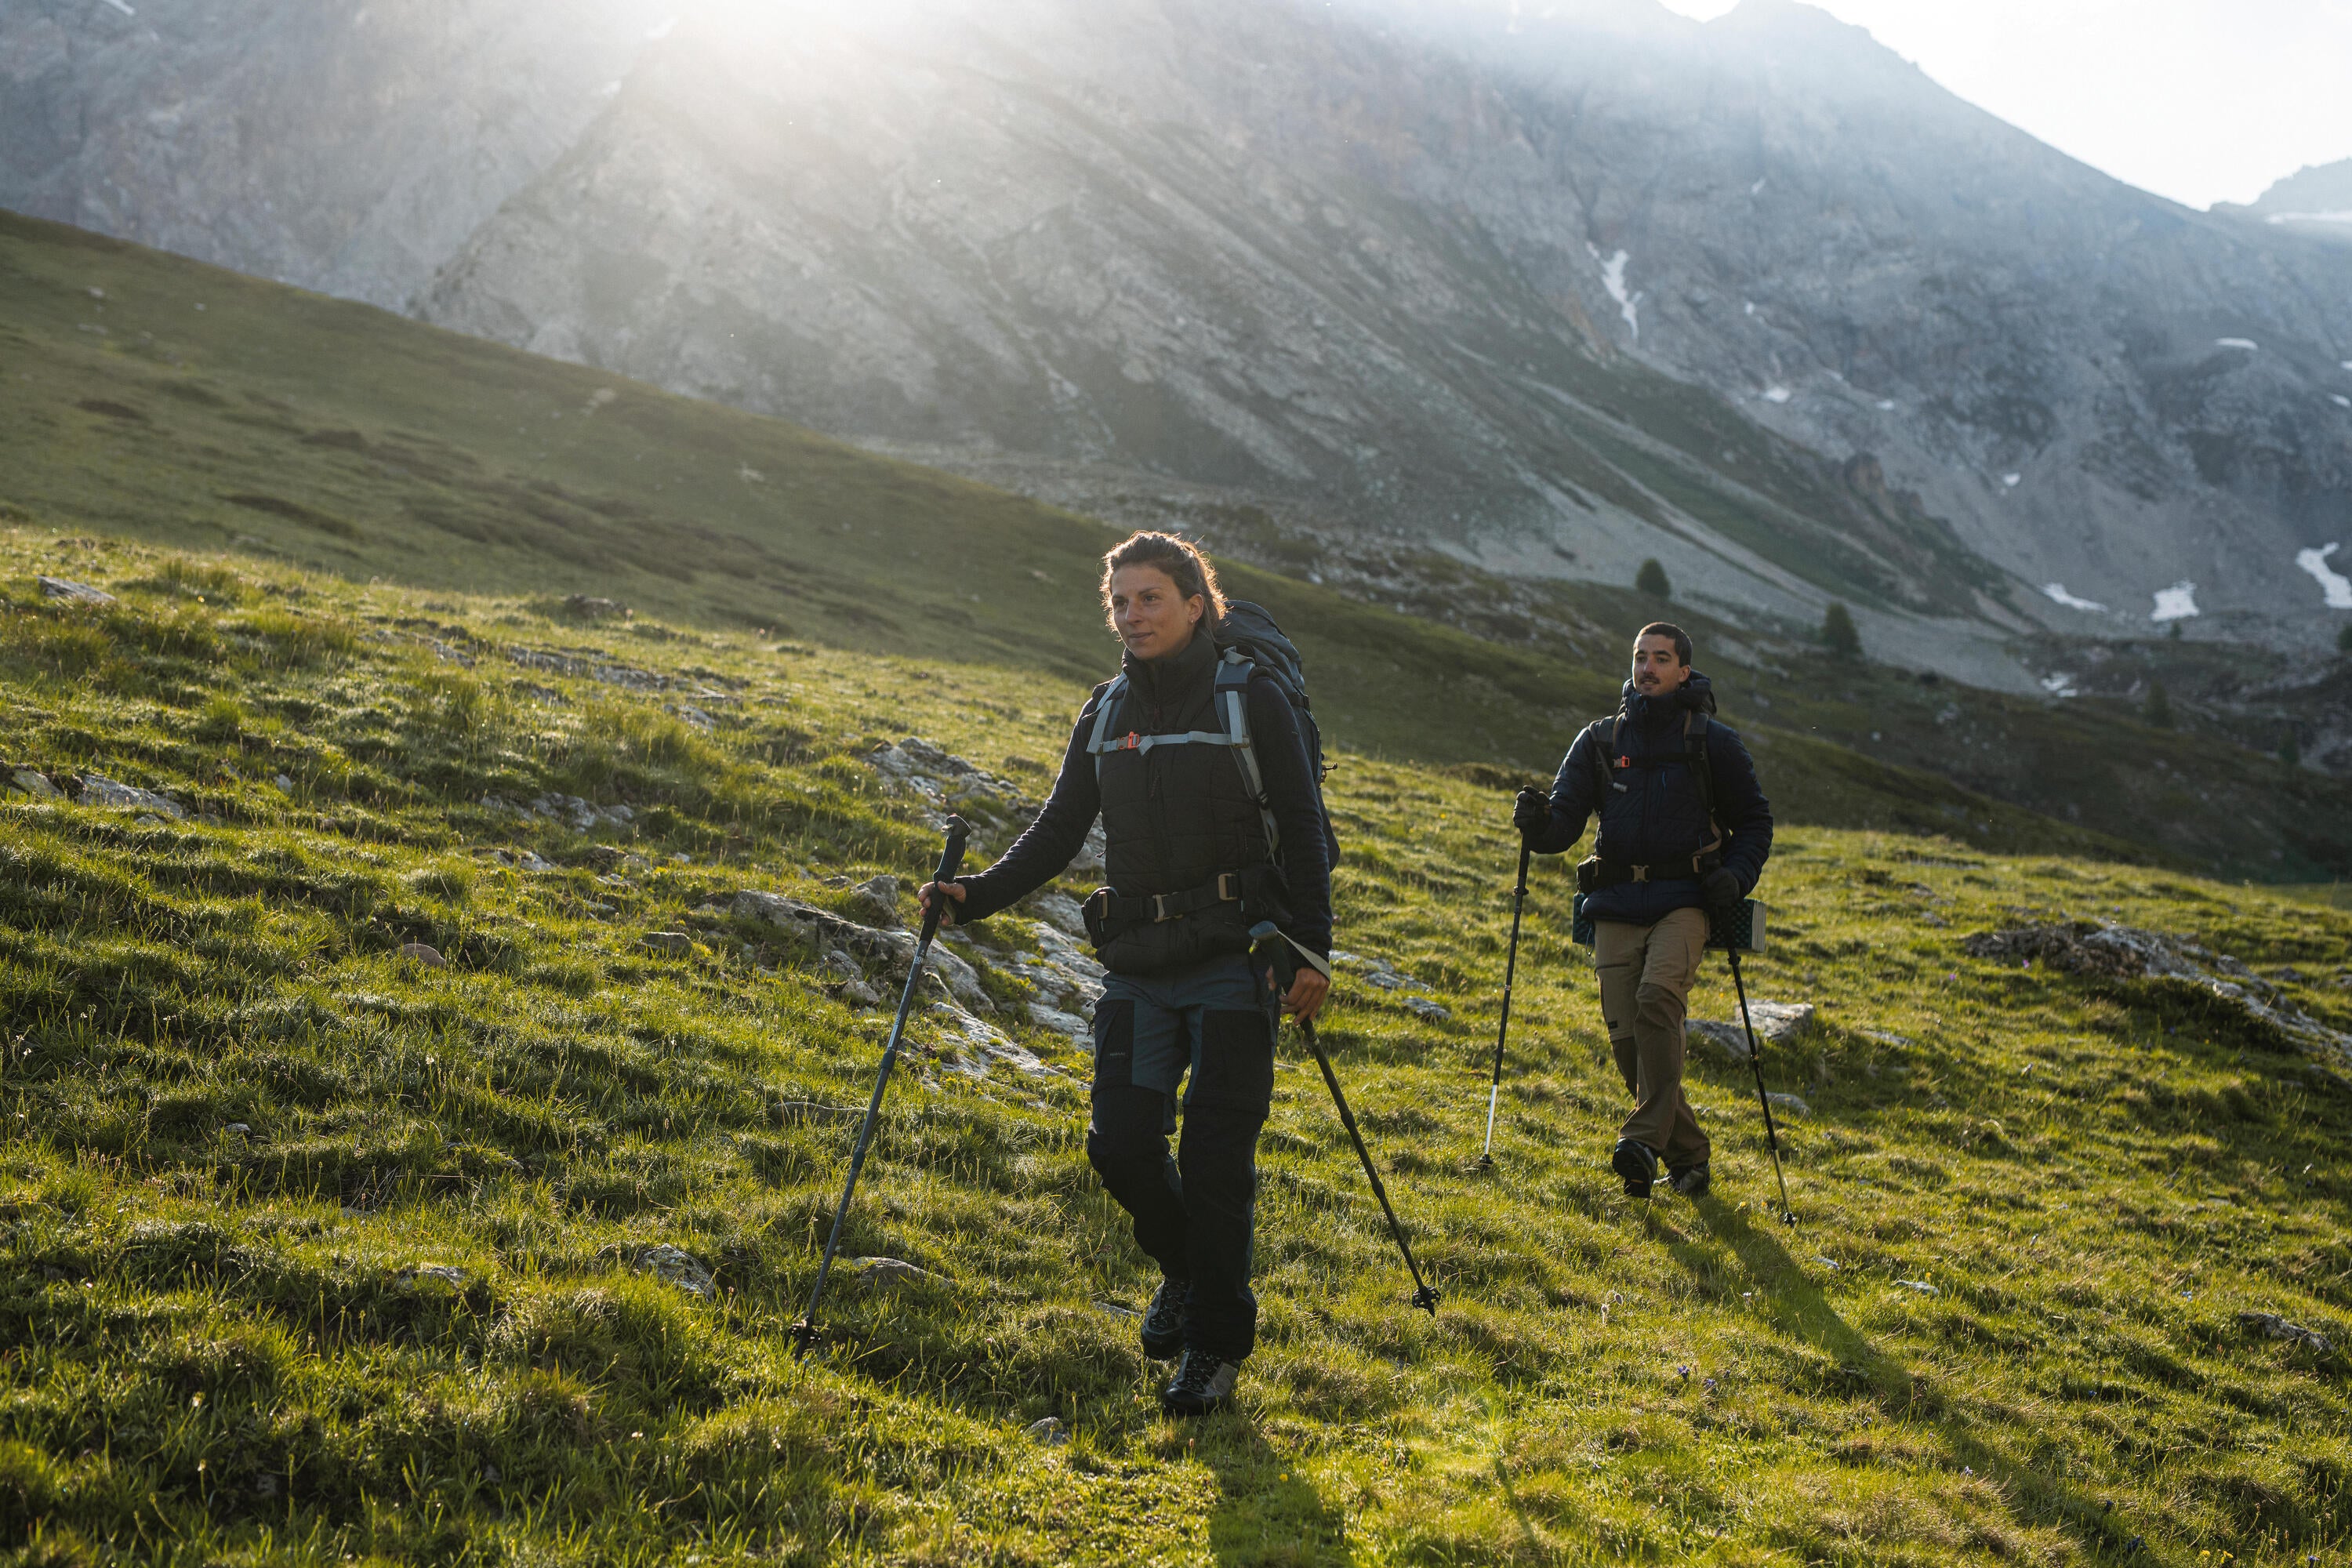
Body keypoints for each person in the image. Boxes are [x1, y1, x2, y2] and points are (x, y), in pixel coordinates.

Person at [918, 532, 1332, 1415]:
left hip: (1232, 960)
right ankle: (1186, 1271)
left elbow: (1301, 824)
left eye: (1150, 598)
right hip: (1140, 966)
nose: (1132, 616)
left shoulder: (1250, 696)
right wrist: (972, 896)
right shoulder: (1105, 710)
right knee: (1120, 1144)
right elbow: (1061, 828)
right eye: (1119, 601)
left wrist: (1311, 950)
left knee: (1218, 1160)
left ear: (1195, 603)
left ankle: (1215, 1346)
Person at [1512, 622, 1773, 1200]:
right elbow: (1563, 823)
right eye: (1639, 658)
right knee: (1629, 1044)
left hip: (1686, 900)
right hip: (1616, 903)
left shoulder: (1713, 743)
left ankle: (1640, 1143)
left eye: (1660, 659)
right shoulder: (1600, 741)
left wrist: (1737, 875)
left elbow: (1755, 822)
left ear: (1684, 671)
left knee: (1658, 1001)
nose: (1647, 669)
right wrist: (1538, 824)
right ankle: (1689, 1156)